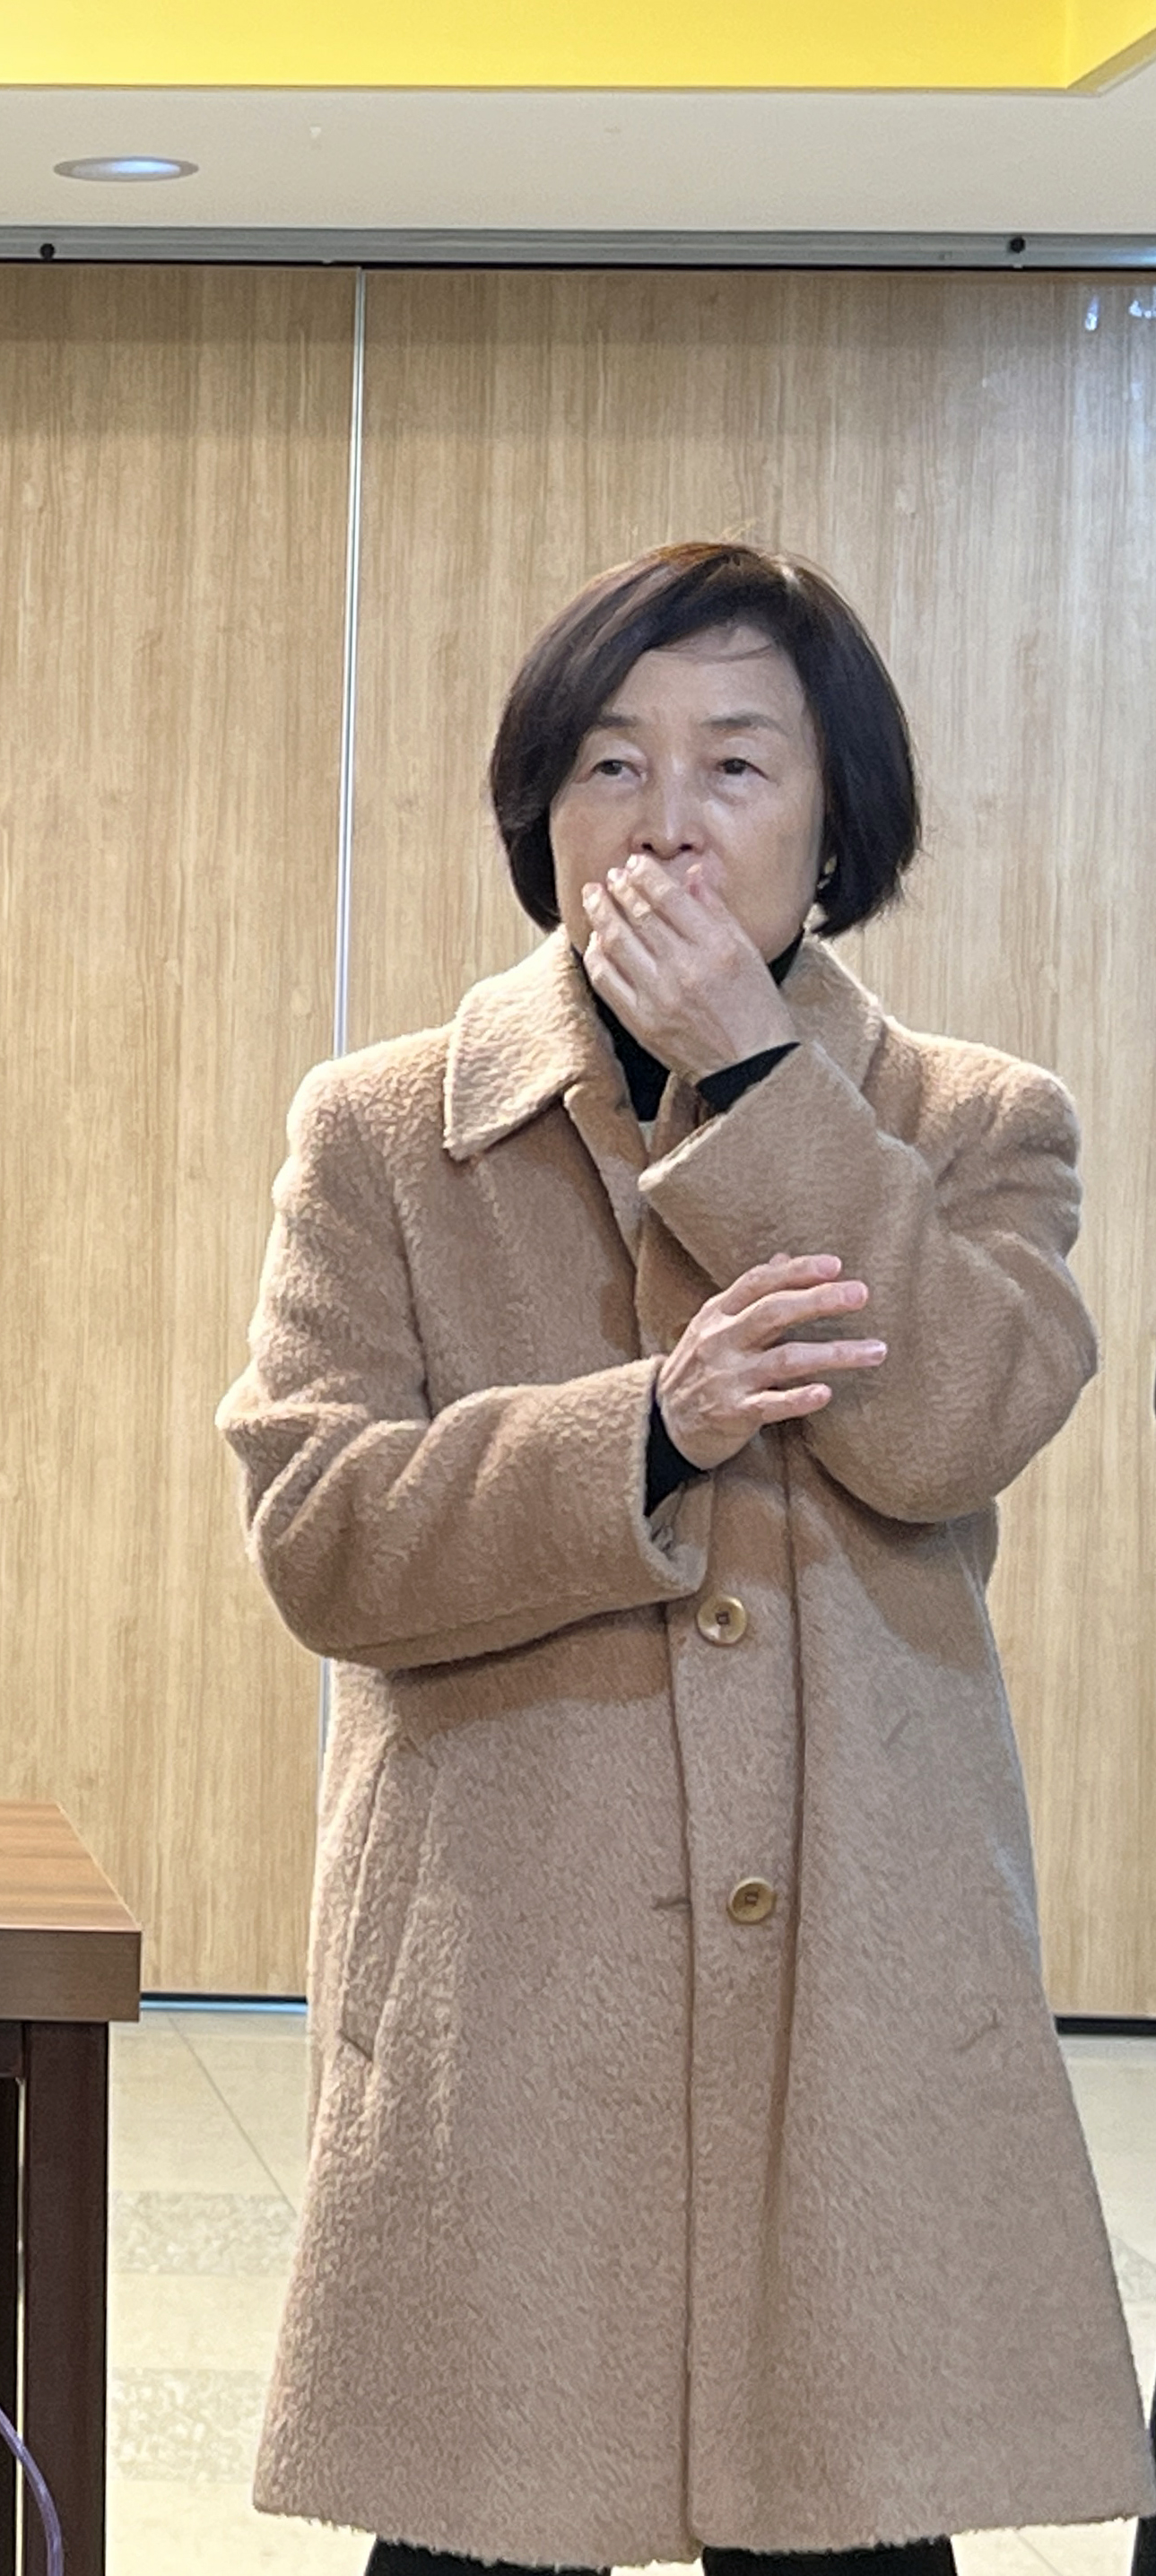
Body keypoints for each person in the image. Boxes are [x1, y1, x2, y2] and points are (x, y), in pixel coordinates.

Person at [220, 540, 1155, 2574]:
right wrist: (646, 1426)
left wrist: (753, 1079)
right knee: (478, 2530)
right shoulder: (383, 1131)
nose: (665, 822)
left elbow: (956, 1419)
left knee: (846, 2529)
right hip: (511, 1991)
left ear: (833, 824)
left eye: (735, 765)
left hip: (855, 1988)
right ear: (542, 814)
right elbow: (320, 1532)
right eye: (611, 764)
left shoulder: (973, 1122)